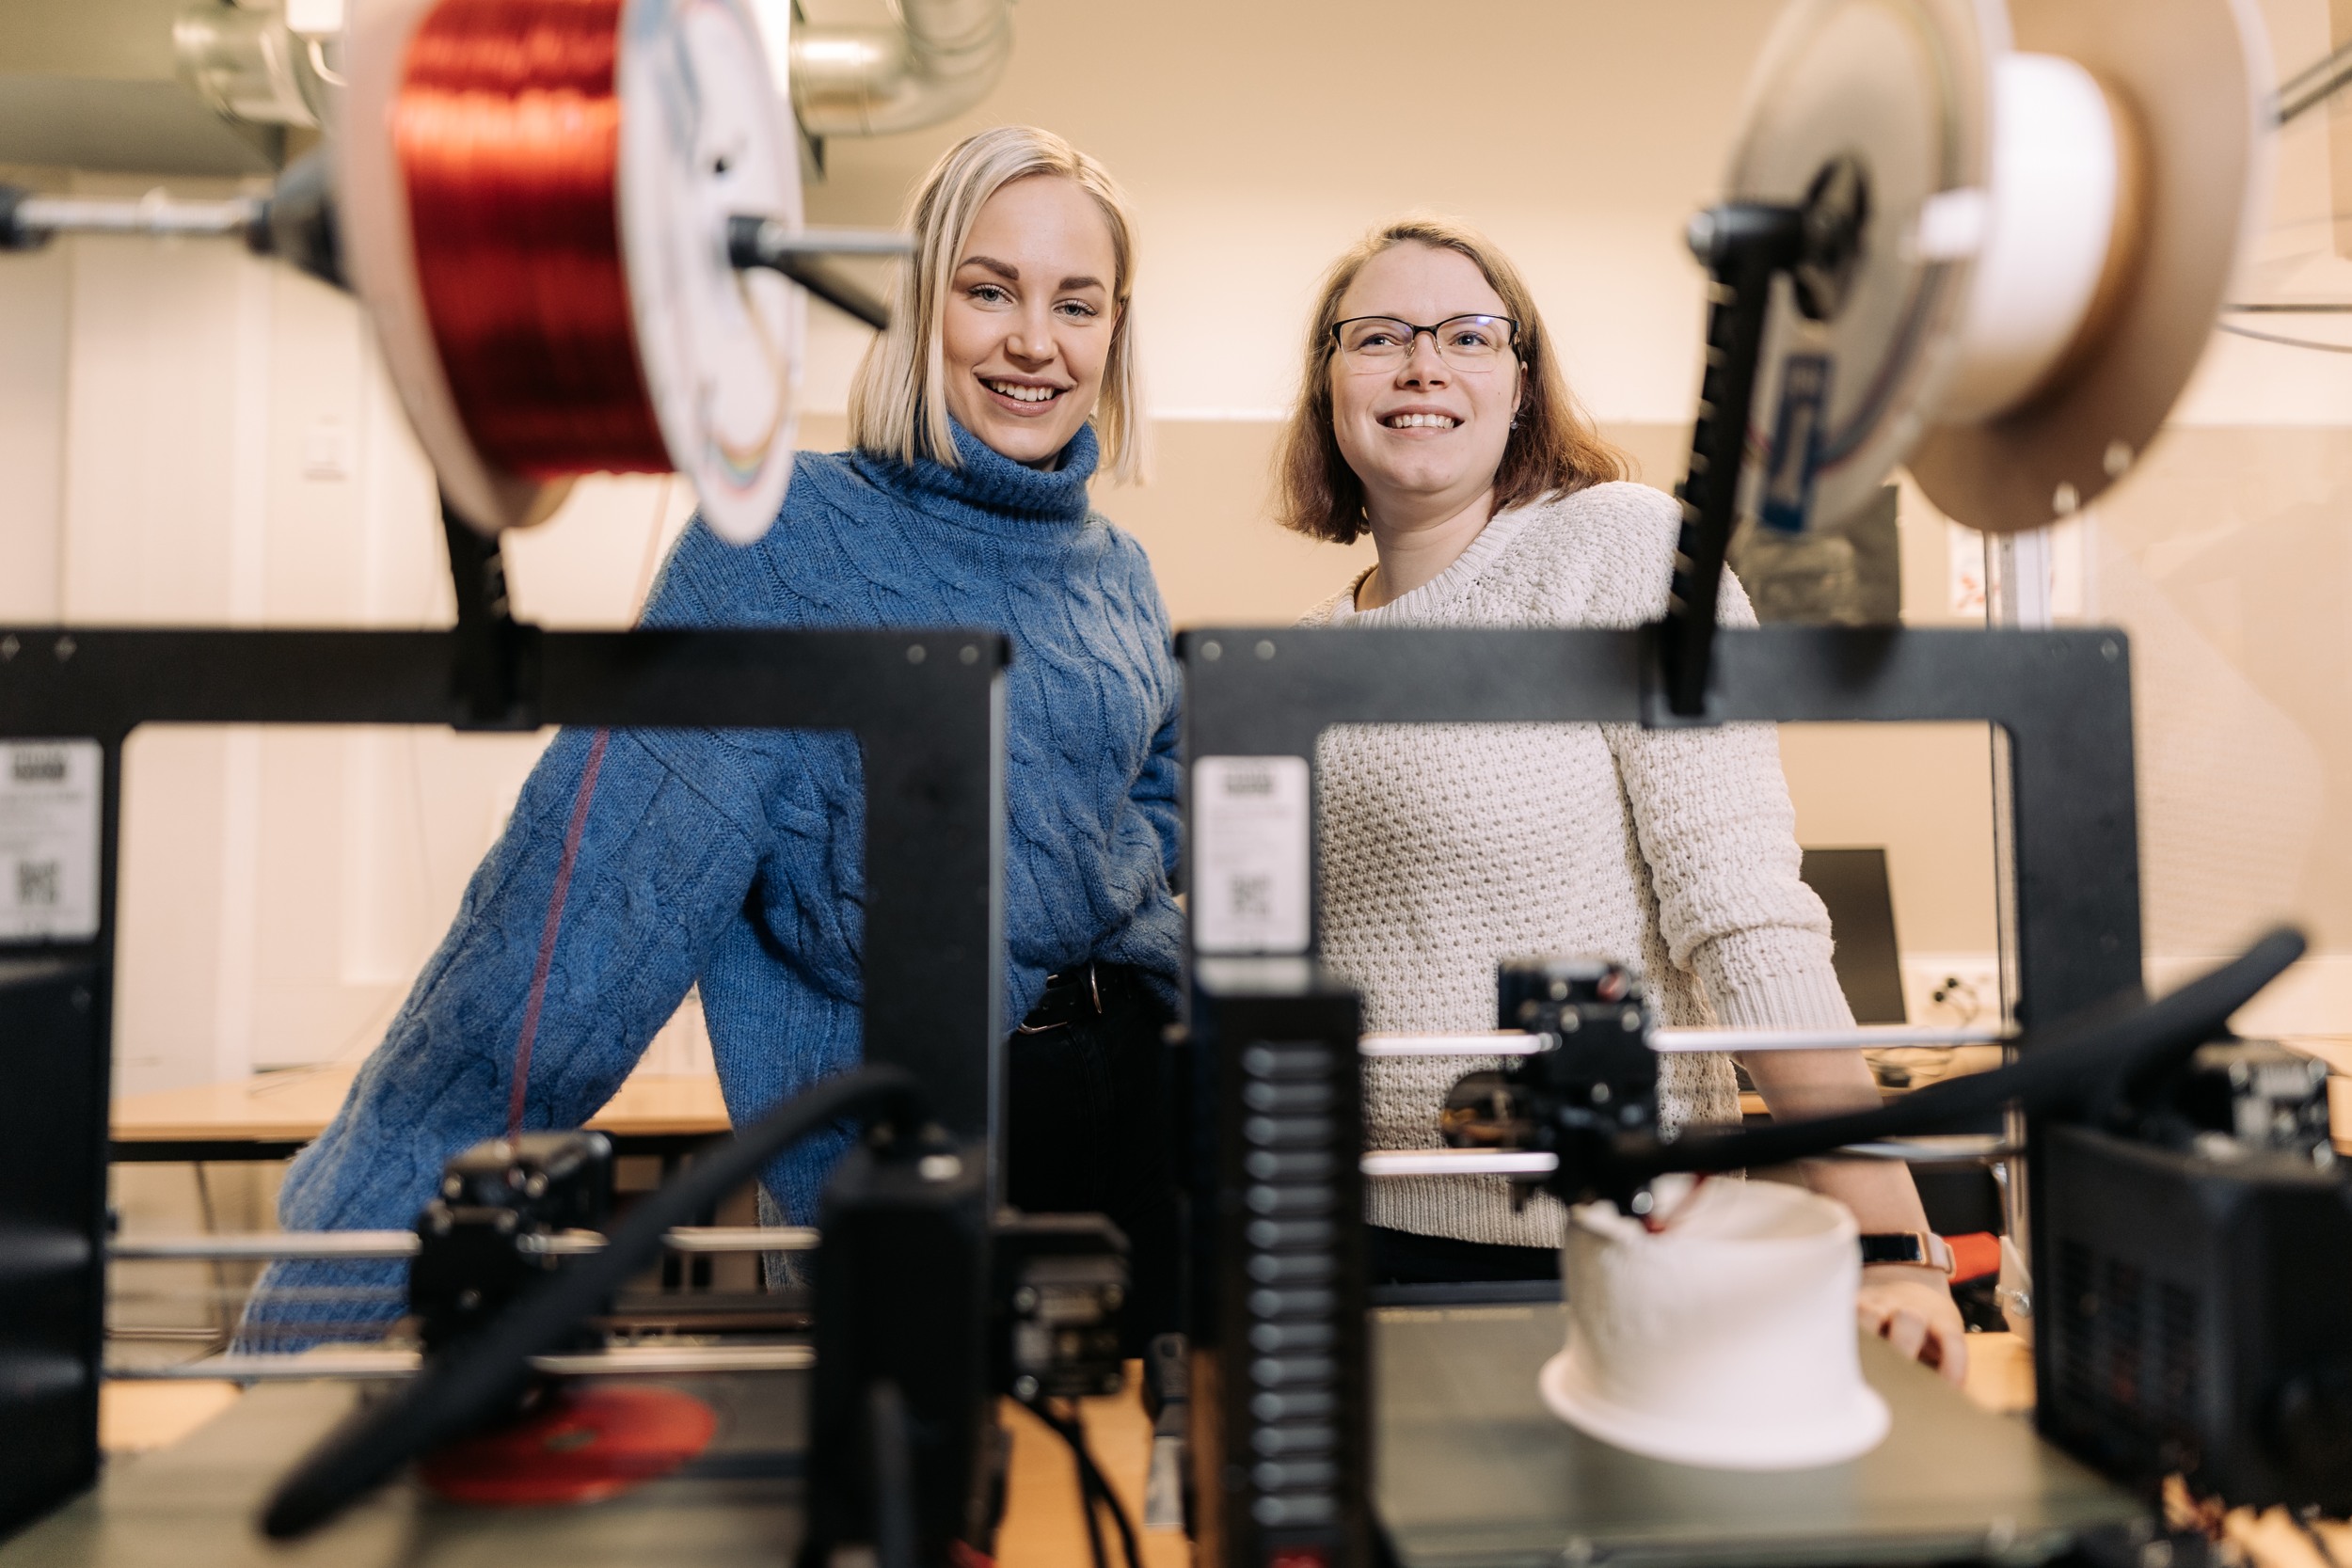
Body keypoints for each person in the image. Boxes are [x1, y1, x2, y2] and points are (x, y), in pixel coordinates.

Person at [244, 125, 1184, 1349]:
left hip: (1154, 1095)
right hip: (924, 1141)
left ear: (1117, 331)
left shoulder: (1121, 572)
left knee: (1153, 1500)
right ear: (919, 302)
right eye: (987, 288)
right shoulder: (783, 540)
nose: (1033, 341)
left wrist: (1123, 918)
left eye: (1079, 302)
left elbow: (1156, 794)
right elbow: (575, 922)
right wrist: (305, 1319)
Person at [1278, 215, 1967, 1382]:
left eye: (1468, 335)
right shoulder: (1301, 657)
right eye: (1377, 337)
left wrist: (1885, 1228)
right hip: (1351, 1248)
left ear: (1521, 384)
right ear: (1327, 388)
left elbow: (1740, 899)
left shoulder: (1620, 546)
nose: (1421, 366)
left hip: (1606, 1243)